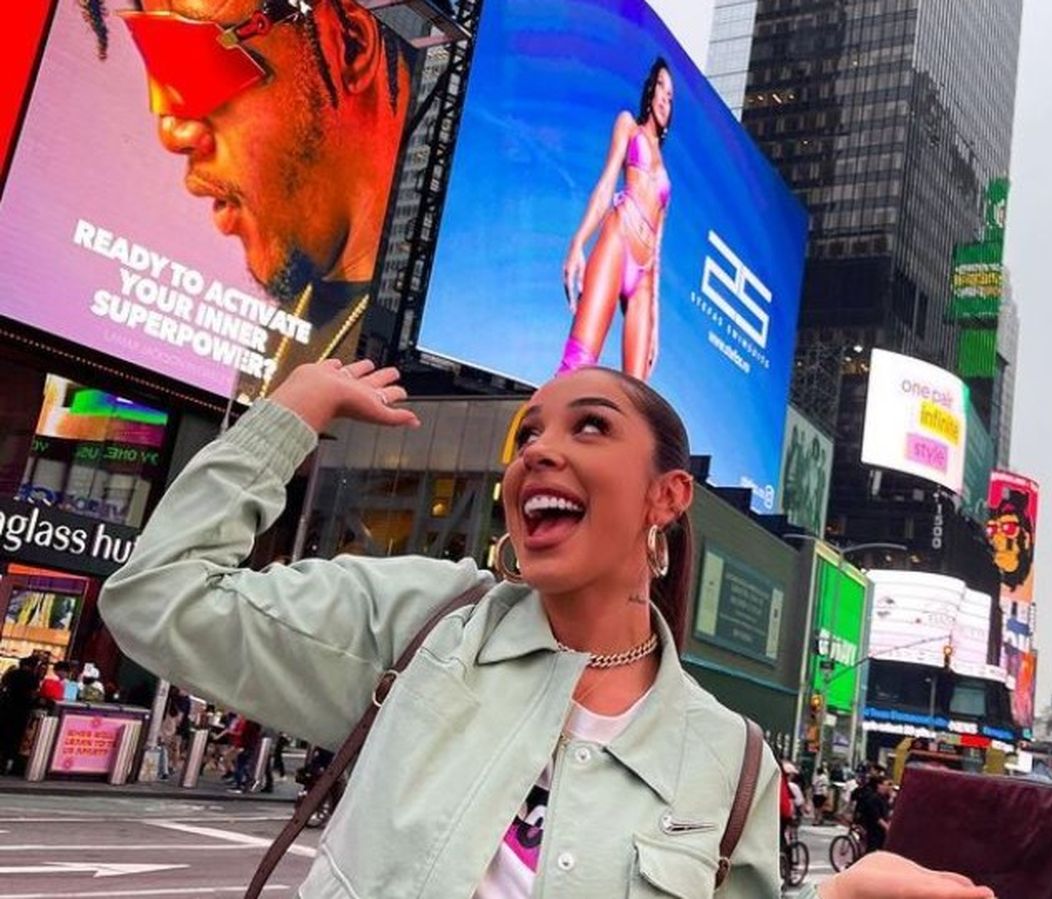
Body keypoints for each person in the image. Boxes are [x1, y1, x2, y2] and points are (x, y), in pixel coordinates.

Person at [99, 358, 995, 898]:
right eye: (529, 432)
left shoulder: (733, 761)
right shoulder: (421, 627)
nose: (538, 448)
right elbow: (157, 597)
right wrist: (292, 410)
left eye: (589, 425)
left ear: (665, 496)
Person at [84, 0, 415, 398]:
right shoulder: (269, 341)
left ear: (351, 46)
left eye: (203, 60)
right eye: (156, 58)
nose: (173, 134)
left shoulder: (412, 352)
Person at [560, 58, 673, 381]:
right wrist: (578, 242)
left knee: (636, 399)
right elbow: (606, 185)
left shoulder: (666, 173)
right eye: (662, 88)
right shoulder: (628, 126)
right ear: (650, 91)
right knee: (576, 366)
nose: (666, 98)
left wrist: (656, 326)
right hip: (618, 240)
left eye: (672, 96)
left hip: (645, 275)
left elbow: (659, 249)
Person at [0, 657, 40, 776]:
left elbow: (3, 686)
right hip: (21, 712)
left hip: (5, 708)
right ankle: (8, 765)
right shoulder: (33, 678)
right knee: (15, 739)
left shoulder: (11, 674)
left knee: (2, 735)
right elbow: (34, 695)